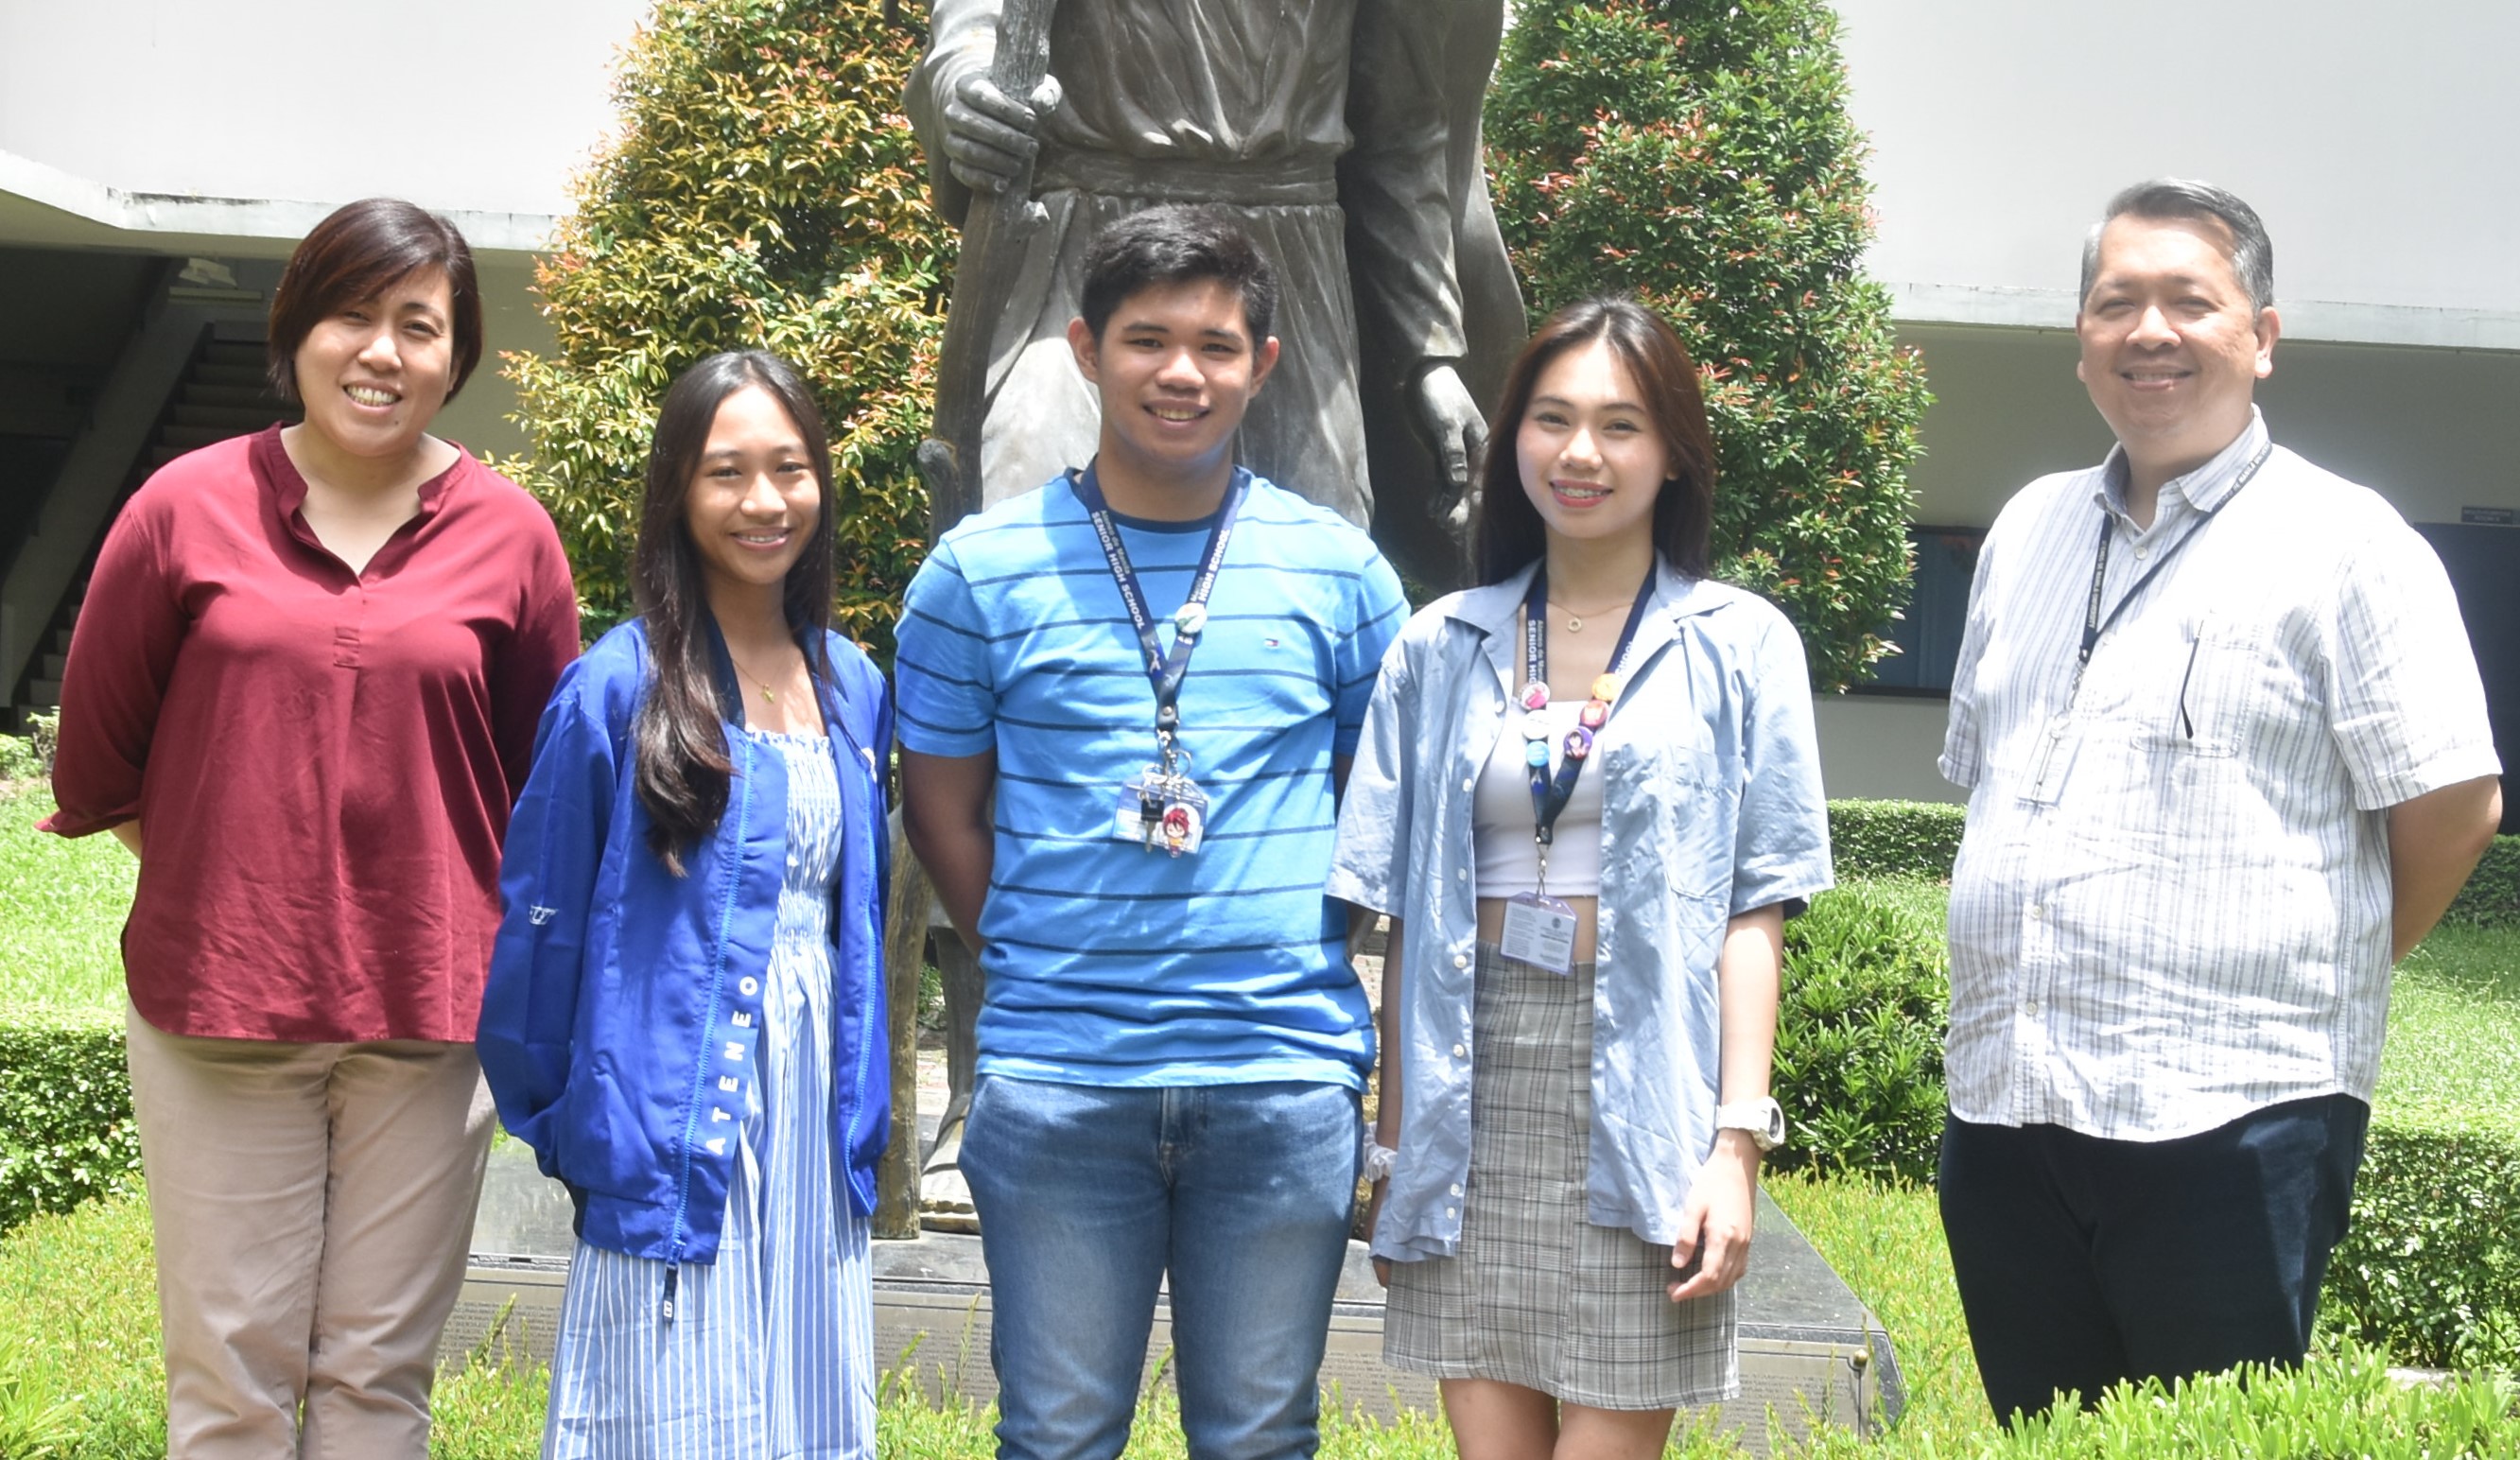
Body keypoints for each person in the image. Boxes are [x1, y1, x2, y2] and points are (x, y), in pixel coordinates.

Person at [907, 0, 1521, 1228]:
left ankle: (1313, 1084)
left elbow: (1403, 137)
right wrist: (960, 89)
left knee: (1325, 671)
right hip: (1081, 241)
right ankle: (994, 1077)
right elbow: (973, 31)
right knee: (1036, 631)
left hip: (1294, 262)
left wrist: (1428, 358)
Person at [1937, 178, 2504, 1424]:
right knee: (2046, 1445)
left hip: (2236, 1116)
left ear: (2260, 334)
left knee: (2208, 1446)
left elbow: (2453, 808)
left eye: (2189, 301)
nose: (2149, 331)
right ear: (2080, 339)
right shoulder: (2029, 529)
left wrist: (2317, 970)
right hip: (2006, 1111)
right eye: (2114, 302)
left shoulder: (2347, 543)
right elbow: (1993, 779)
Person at [42, 198, 580, 1457]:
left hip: (428, 1023)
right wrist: (247, 892)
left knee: (378, 1382)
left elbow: (541, 783)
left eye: (419, 324)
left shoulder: (512, 538)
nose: (383, 351)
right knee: (229, 1382)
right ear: (298, 329)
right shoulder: (183, 508)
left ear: (458, 355)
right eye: (354, 313)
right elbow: (100, 760)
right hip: (218, 1014)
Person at [894, 207, 1408, 1460]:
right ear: (1085, 348)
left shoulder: (1342, 575)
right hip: (1060, 1080)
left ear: (1263, 363)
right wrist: (1030, 940)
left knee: (1259, 1435)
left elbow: (1376, 814)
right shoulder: (977, 574)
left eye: (1217, 345)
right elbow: (943, 808)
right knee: (1059, 1431)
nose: (1182, 373)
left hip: (1279, 1079)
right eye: (1147, 340)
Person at [1329, 296, 1832, 1457]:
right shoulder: (1439, 642)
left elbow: (1756, 908)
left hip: (1647, 1085)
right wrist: (1395, 1149)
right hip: (1473, 1079)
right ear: (1513, 444)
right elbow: (1406, 919)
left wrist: (1733, 1143)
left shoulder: (1741, 643)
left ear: (1673, 455)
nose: (1581, 453)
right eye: (1551, 419)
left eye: (1620, 424)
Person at [477, 351, 894, 1459]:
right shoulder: (617, 685)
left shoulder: (852, 682)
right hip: (671, 1112)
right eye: (727, 472)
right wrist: (580, 1128)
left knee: (804, 1404)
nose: (764, 501)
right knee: (670, 1418)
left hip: (814, 1116)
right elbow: (538, 930)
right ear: (677, 490)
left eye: (790, 468)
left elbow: (861, 918)